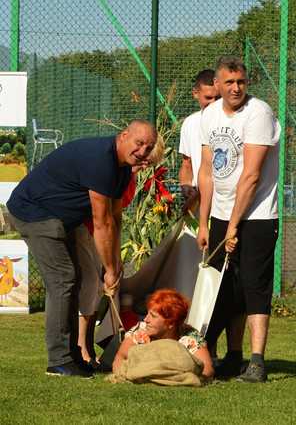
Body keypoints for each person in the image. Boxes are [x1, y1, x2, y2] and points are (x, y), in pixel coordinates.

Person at [7, 120, 157, 378]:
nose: (143, 151)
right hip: (34, 212)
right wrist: (109, 269)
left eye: (149, 147)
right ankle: (58, 360)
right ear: (123, 137)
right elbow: (101, 223)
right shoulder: (102, 161)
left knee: (75, 280)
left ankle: (74, 356)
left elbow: (116, 217)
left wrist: (116, 264)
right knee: (64, 279)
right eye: (139, 143)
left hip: (62, 217)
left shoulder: (122, 169)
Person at [197, 56, 280, 383]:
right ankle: (231, 357)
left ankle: (257, 361)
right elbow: (206, 172)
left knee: (254, 286)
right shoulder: (209, 115)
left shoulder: (258, 113)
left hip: (257, 215)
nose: (235, 88)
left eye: (241, 82)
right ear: (216, 85)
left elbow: (251, 175)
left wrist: (234, 226)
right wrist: (204, 223)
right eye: (229, 82)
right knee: (223, 290)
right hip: (219, 215)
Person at [76, 137, 165, 366]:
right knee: (91, 287)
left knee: (100, 291)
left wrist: (115, 260)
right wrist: (109, 263)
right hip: (86, 230)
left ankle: (88, 348)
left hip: (101, 236)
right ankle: (81, 348)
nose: (143, 166)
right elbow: (102, 218)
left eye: (149, 164)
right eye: (143, 161)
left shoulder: (130, 179)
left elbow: (117, 219)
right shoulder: (114, 174)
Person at [112, 289, 214, 379]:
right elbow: (119, 358)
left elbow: (207, 370)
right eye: (147, 313)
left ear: (170, 323)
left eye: (153, 316)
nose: (146, 319)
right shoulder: (141, 332)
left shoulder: (190, 337)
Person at [178, 69, 220, 213]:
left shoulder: (231, 121)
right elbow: (186, 163)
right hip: (199, 198)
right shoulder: (189, 123)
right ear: (195, 93)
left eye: (218, 98)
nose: (214, 103)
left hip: (225, 199)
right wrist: (185, 185)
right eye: (208, 98)